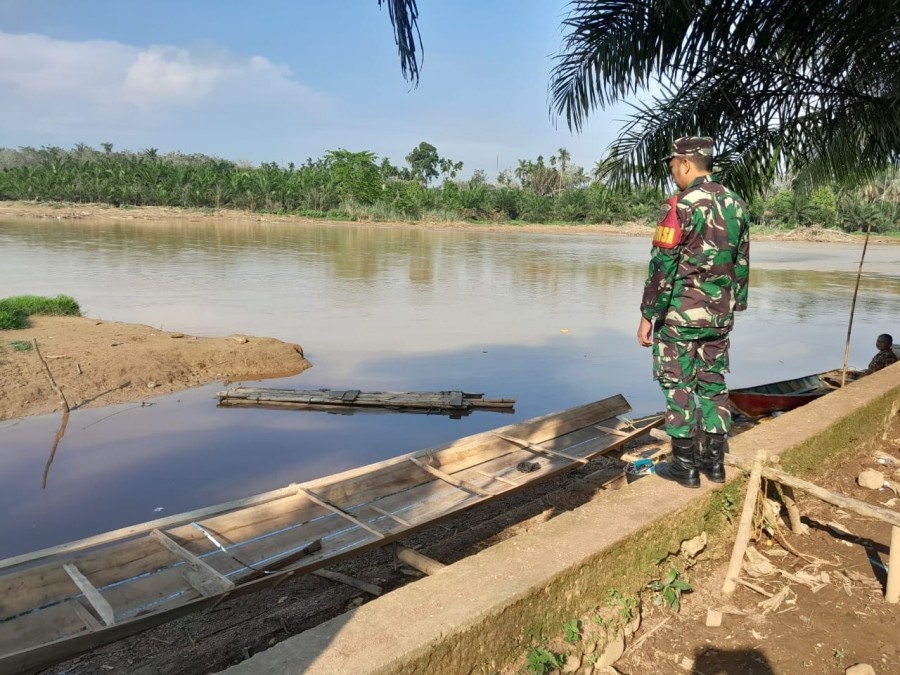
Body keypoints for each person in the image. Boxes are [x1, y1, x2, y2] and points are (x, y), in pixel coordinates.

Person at [637, 136, 751, 488]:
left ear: (686, 163)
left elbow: (662, 266)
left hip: (679, 318)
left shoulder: (678, 206)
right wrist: (735, 305)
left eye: (673, 165)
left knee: (678, 384)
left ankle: (684, 466)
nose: (672, 172)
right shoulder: (737, 204)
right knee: (714, 385)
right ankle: (714, 465)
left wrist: (647, 315)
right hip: (719, 317)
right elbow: (741, 263)